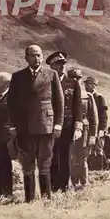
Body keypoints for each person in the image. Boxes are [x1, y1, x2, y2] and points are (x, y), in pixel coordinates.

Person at [7, 45, 64, 202]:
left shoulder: (51, 74)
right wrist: (12, 125)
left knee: (45, 164)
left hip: (46, 125)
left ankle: (46, 198)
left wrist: (58, 124)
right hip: (24, 128)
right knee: (28, 165)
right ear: (26, 58)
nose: (37, 58)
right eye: (33, 55)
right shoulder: (18, 77)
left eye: (39, 55)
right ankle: (30, 199)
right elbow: (11, 103)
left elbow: (59, 101)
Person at [46, 51, 82, 192]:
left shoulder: (72, 83)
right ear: (52, 66)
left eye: (63, 64)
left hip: (67, 124)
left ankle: (65, 185)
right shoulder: (47, 82)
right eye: (58, 64)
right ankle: (53, 186)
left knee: (65, 155)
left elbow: (78, 106)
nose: (62, 66)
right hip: (50, 124)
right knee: (51, 155)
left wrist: (78, 126)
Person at [69, 68, 98, 187]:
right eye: (72, 78)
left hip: (85, 132)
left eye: (78, 78)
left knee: (82, 159)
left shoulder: (87, 96)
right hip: (69, 130)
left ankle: (84, 184)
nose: (75, 80)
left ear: (81, 79)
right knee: (71, 158)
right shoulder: (65, 94)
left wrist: (93, 135)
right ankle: (74, 183)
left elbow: (94, 118)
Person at [84, 76, 108, 170]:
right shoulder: (85, 96)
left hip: (98, 128)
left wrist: (102, 129)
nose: (86, 86)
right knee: (89, 148)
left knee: (99, 148)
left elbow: (103, 115)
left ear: (94, 86)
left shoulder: (99, 97)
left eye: (88, 84)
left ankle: (100, 169)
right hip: (89, 127)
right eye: (86, 84)